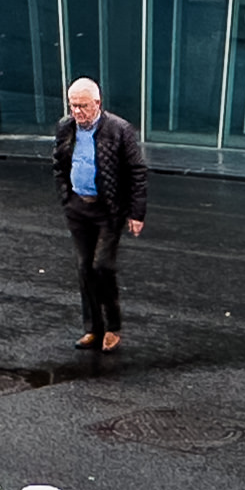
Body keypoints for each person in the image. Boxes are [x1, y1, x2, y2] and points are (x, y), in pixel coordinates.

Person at [53, 77, 148, 350]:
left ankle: (112, 327)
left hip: (108, 210)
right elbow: (59, 163)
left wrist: (136, 213)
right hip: (77, 207)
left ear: (97, 103)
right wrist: (66, 196)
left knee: (102, 267)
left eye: (83, 106)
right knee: (84, 268)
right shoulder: (65, 127)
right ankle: (93, 328)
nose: (77, 111)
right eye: (73, 105)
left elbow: (137, 172)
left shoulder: (119, 129)